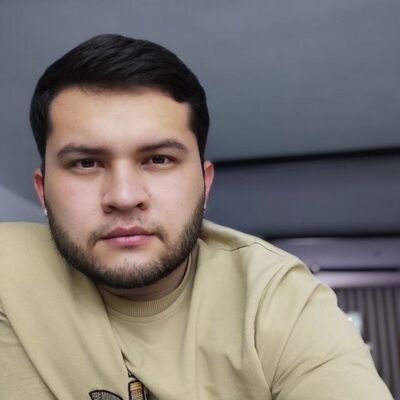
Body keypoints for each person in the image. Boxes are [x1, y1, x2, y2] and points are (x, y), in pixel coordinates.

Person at [0, 34, 393, 400]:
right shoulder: (8, 270)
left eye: (158, 159)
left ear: (204, 184)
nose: (124, 196)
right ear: (43, 190)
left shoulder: (277, 299)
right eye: (86, 163)